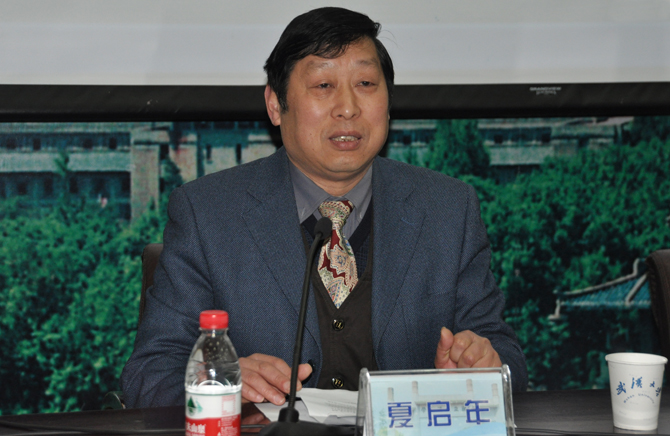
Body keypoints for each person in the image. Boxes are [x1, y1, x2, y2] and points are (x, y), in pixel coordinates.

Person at [121, 7, 527, 408]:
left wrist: (483, 365)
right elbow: (150, 374)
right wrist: (221, 380)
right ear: (276, 105)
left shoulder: (448, 210)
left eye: (365, 83)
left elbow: (506, 358)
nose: (348, 107)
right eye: (323, 86)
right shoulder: (207, 214)